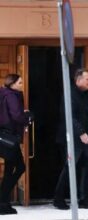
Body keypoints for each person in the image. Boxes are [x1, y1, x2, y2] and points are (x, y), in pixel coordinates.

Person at [53, 69, 88, 210]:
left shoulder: (86, 95)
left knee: (87, 168)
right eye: (87, 79)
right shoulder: (70, 94)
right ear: (78, 80)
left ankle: (85, 199)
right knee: (69, 168)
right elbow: (69, 116)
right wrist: (81, 132)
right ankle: (58, 199)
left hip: (87, 139)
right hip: (73, 138)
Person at [0, 74, 31, 215]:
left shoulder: (3, 93)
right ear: (12, 84)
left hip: (4, 136)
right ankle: (2, 200)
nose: (21, 84)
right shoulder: (12, 96)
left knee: (9, 170)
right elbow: (17, 115)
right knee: (20, 167)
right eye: (19, 82)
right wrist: (28, 117)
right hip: (10, 138)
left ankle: (3, 203)